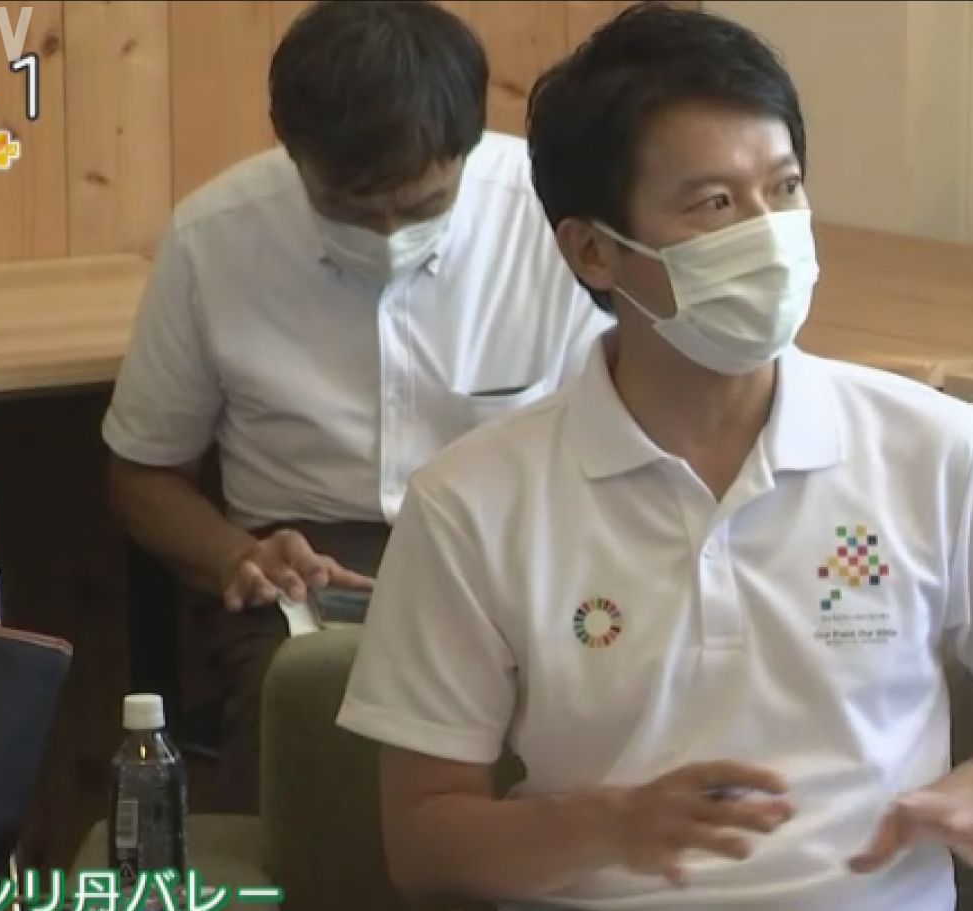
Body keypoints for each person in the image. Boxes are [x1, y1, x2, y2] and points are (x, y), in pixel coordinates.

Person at [335, 5, 973, 911]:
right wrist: (609, 828)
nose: (769, 232)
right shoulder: (473, 499)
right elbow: (423, 843)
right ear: (594, 251)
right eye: (715, 203)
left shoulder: (933, 445)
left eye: (782, 189)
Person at [102, 1, 610, 811]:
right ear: (292, 152)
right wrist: (236, 557)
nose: (386, 234)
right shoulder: (215, 236)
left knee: (587, 690)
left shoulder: (557, 222)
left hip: (520, 541)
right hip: (307, 564)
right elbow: (144, 477)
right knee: (311, 699)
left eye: (421, 206)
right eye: (347, 209)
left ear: (467, 148)